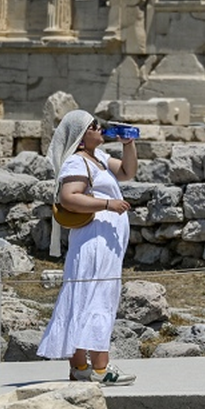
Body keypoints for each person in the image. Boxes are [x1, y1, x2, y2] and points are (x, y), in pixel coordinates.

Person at [37, 109, 138, 385]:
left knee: (92, 297)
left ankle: (81, 367)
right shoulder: (76, 163)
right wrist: (108, 204)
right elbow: (70, 198)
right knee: (95, 297)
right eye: (94, 126)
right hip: (93, 241)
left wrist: (128, 144)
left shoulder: (100, 159)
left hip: (105, 244)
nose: (100, 129)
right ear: (81, 137)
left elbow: (128, 172)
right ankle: (100, 370)